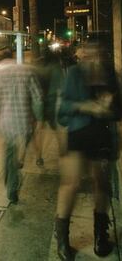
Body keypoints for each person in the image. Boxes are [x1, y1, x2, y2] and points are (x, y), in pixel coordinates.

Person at [55, 42, 120, 260]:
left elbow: (118, 111)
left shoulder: (111, 76)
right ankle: (62, 237)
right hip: (78, 133)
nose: (92, 59)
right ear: (81, 56)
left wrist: (109, 106)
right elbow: (62, 109)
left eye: (98, 54)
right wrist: (85, 106)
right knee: (70, 184)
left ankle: (101, 233)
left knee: (100, 184)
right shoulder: (74, 74)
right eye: (88, 55)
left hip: (103, 135)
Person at [0, 39, 44, 203]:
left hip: (5, 122)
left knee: (9, 153)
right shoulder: (27, 71)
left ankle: (11, 186)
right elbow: (38, 98)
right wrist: (39, 119)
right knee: (17, 154)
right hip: (25, 122)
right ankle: (12, 180)